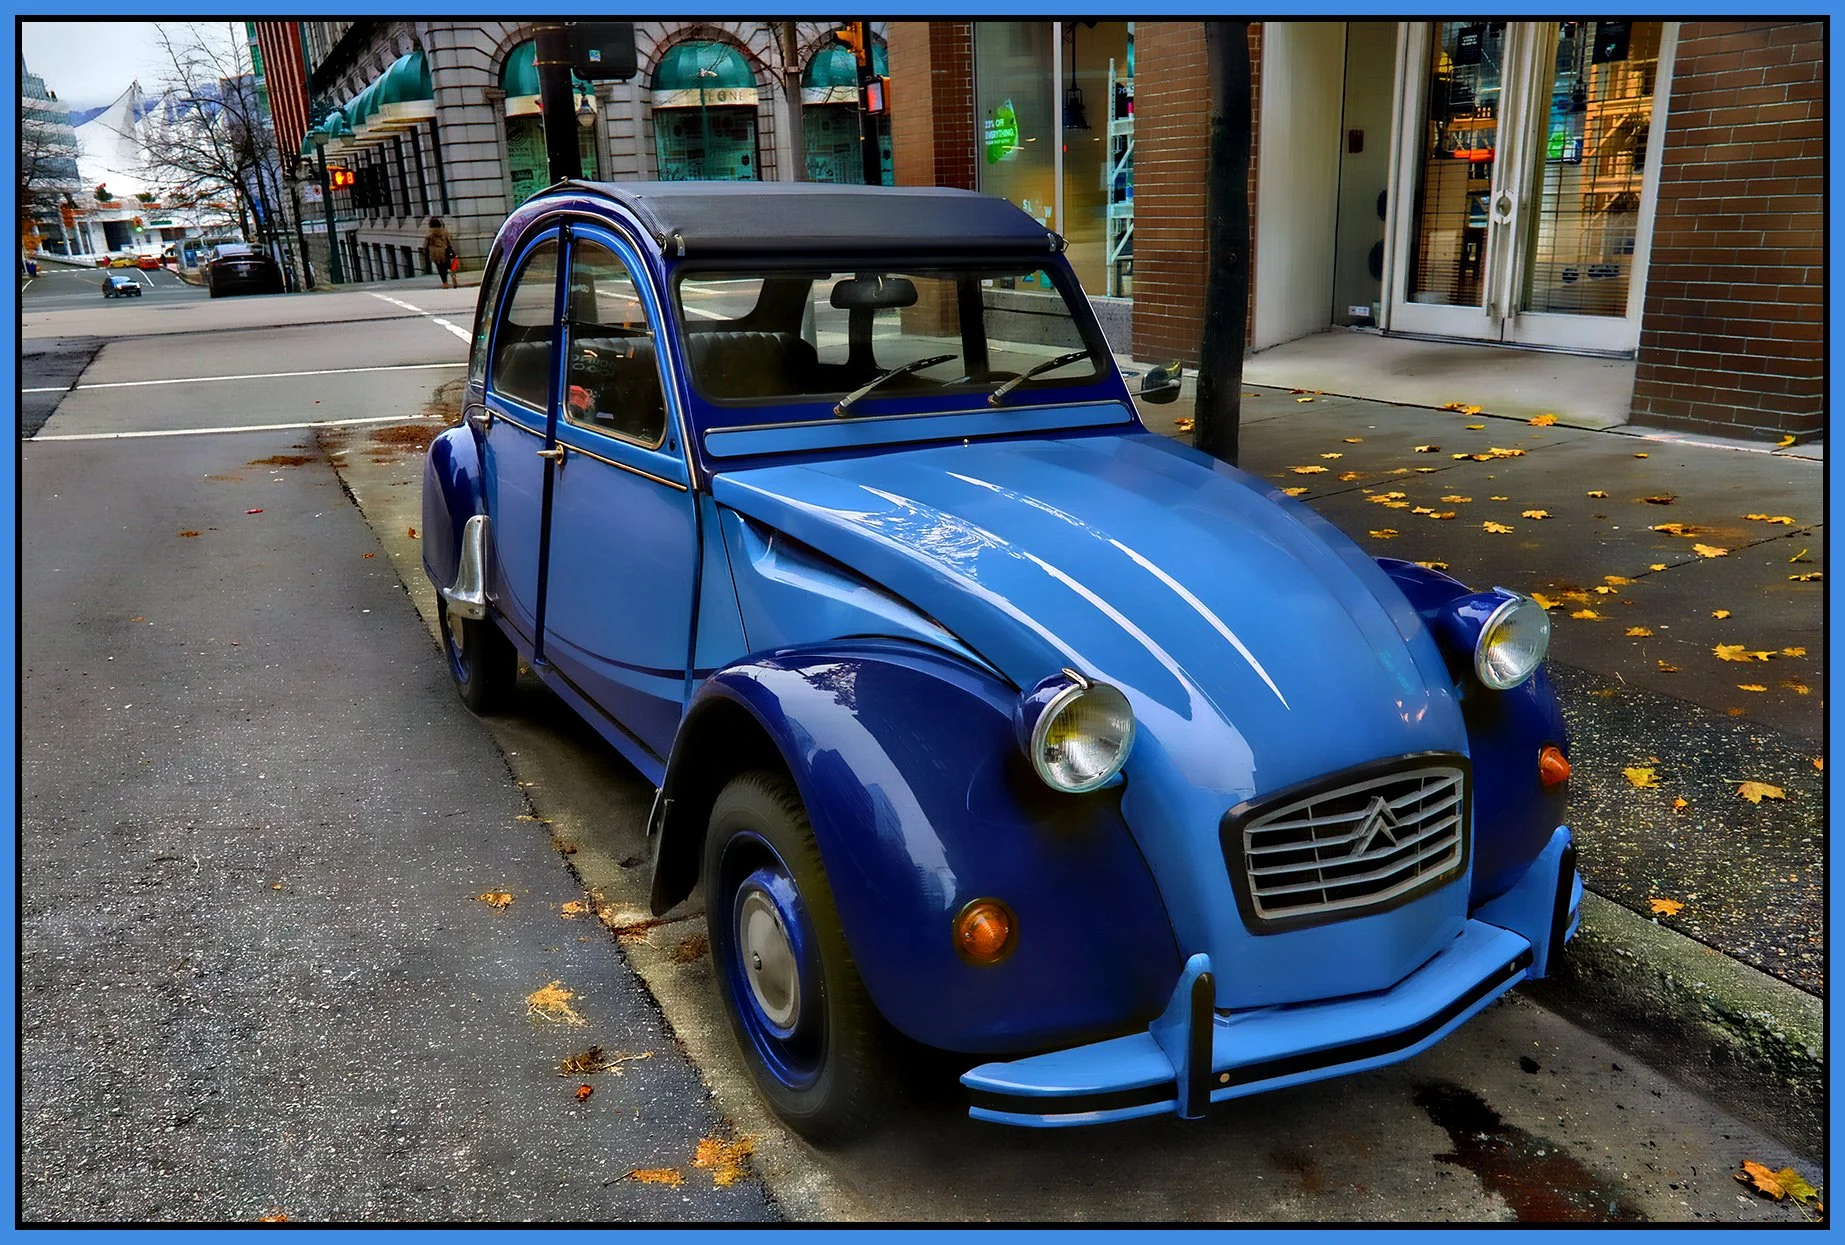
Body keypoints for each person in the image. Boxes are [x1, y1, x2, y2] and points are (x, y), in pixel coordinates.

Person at [422, 216, 457, 289]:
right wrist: (451, 248)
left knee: (441, 268)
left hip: (435, 253)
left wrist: (425, 252)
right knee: (450, 264)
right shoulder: (444, 231)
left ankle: (445, 283)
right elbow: (449, 242)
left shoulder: (429, 233)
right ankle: (453, 275)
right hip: (445, 251)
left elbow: (425, 245)